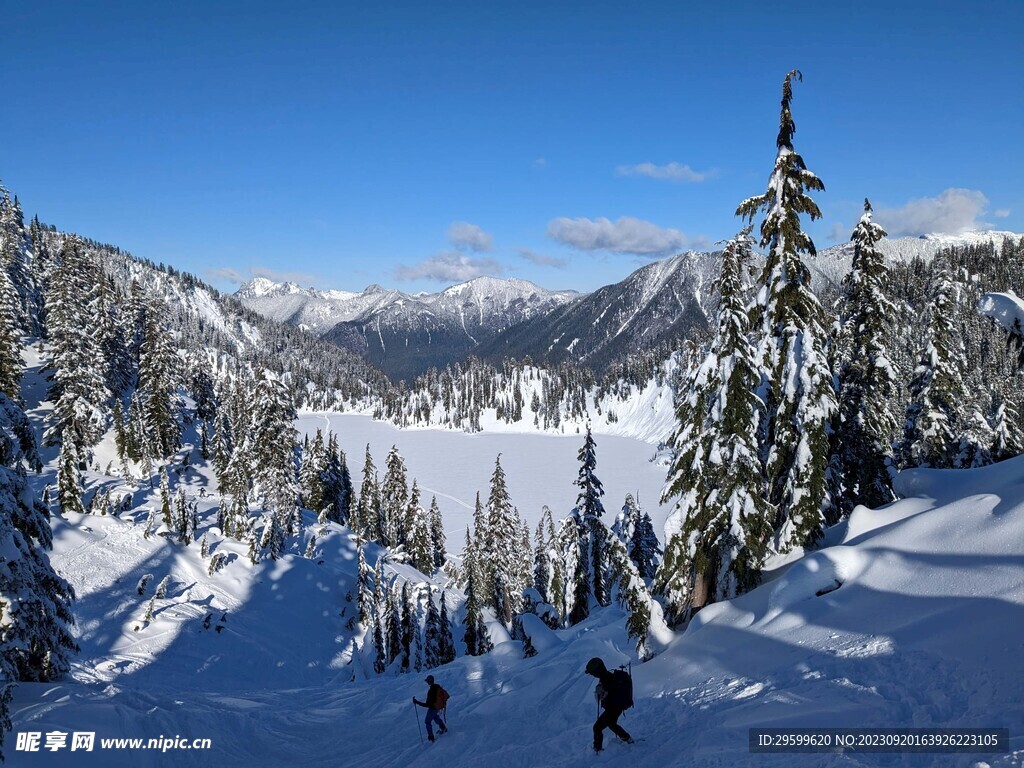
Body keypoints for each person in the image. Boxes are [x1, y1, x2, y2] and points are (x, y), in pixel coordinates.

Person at [585, 657, 634, 753]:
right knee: (611, 724)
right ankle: (627, 738)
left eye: (592, 673)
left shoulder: (605, 679)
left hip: (613, 708)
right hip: (617, 707)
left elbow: (605, 695)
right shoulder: (607, 676)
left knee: (597, 728)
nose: (592, 675)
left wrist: (600, 692)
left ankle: (597, 750)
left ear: (596, 671)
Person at [413, 674, 448, 742]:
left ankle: (431, 737)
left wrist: (416, 702)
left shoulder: (431, 691)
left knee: (427, 721)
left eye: (427, 681)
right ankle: (443, 728)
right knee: (435, 717)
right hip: (438, 707)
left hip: (433, 708)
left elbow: (427, 704)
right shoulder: (437, 687)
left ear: (429, 682)